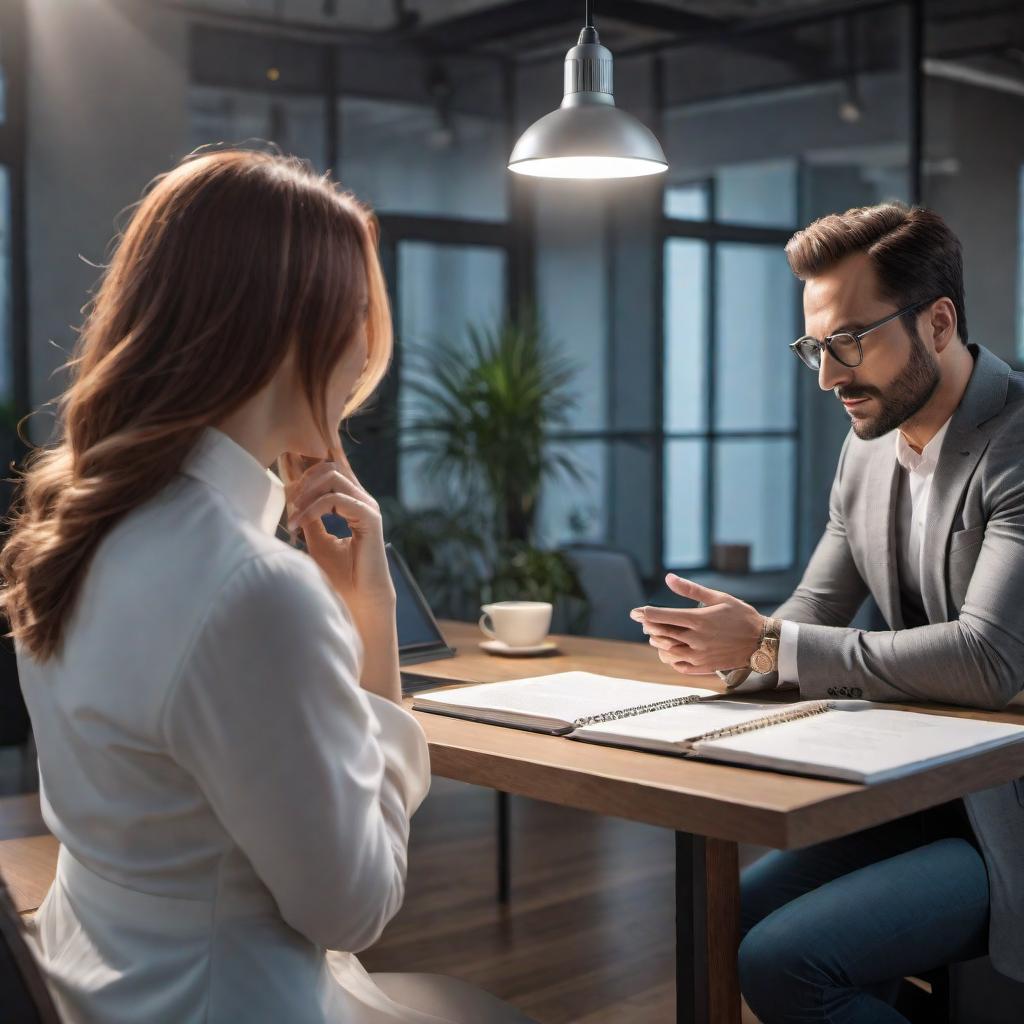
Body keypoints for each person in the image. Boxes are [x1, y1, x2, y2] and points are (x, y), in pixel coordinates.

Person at [0, 150, 533, 1024]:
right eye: (360, 312)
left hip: (104, 992)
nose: (369, 348)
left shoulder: (76, 532)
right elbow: (356, 908)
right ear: (295, 330)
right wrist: (372, 620)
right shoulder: (251, 588)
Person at [633, 203, 1024, 1023]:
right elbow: (816, 606)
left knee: (787, 964)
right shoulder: (866, 446)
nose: (826, 376)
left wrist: (775, 643)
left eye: (848, 341)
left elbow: (991, 660)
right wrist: (730, 649)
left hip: (1007, 805)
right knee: (724, 916)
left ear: (940, 322)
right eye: (815, 346)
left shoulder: (1016, 440)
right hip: (918, 788)